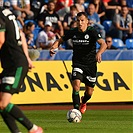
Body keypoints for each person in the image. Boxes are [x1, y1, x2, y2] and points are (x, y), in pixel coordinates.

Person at [50, 12, 107, 114]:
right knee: (76, 86)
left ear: (87, 22)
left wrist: (99, 53)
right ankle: (76, 111)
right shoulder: (73, 31)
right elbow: (60, 40)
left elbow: (103, 44)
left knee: (89, 93)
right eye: (78, 21)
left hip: (90, 65)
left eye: (82, 21)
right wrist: (54, 46)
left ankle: (83, 102)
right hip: (78, 63)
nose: (80, 23)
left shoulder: (92, 31)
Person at [0, 7, 43, 133]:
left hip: (15, 64)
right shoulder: (7, 13)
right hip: (14, 62)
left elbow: (1, 40)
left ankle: (34, 129)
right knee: (1, 104)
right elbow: (22, 35)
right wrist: (27, 58)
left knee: (3, 103)